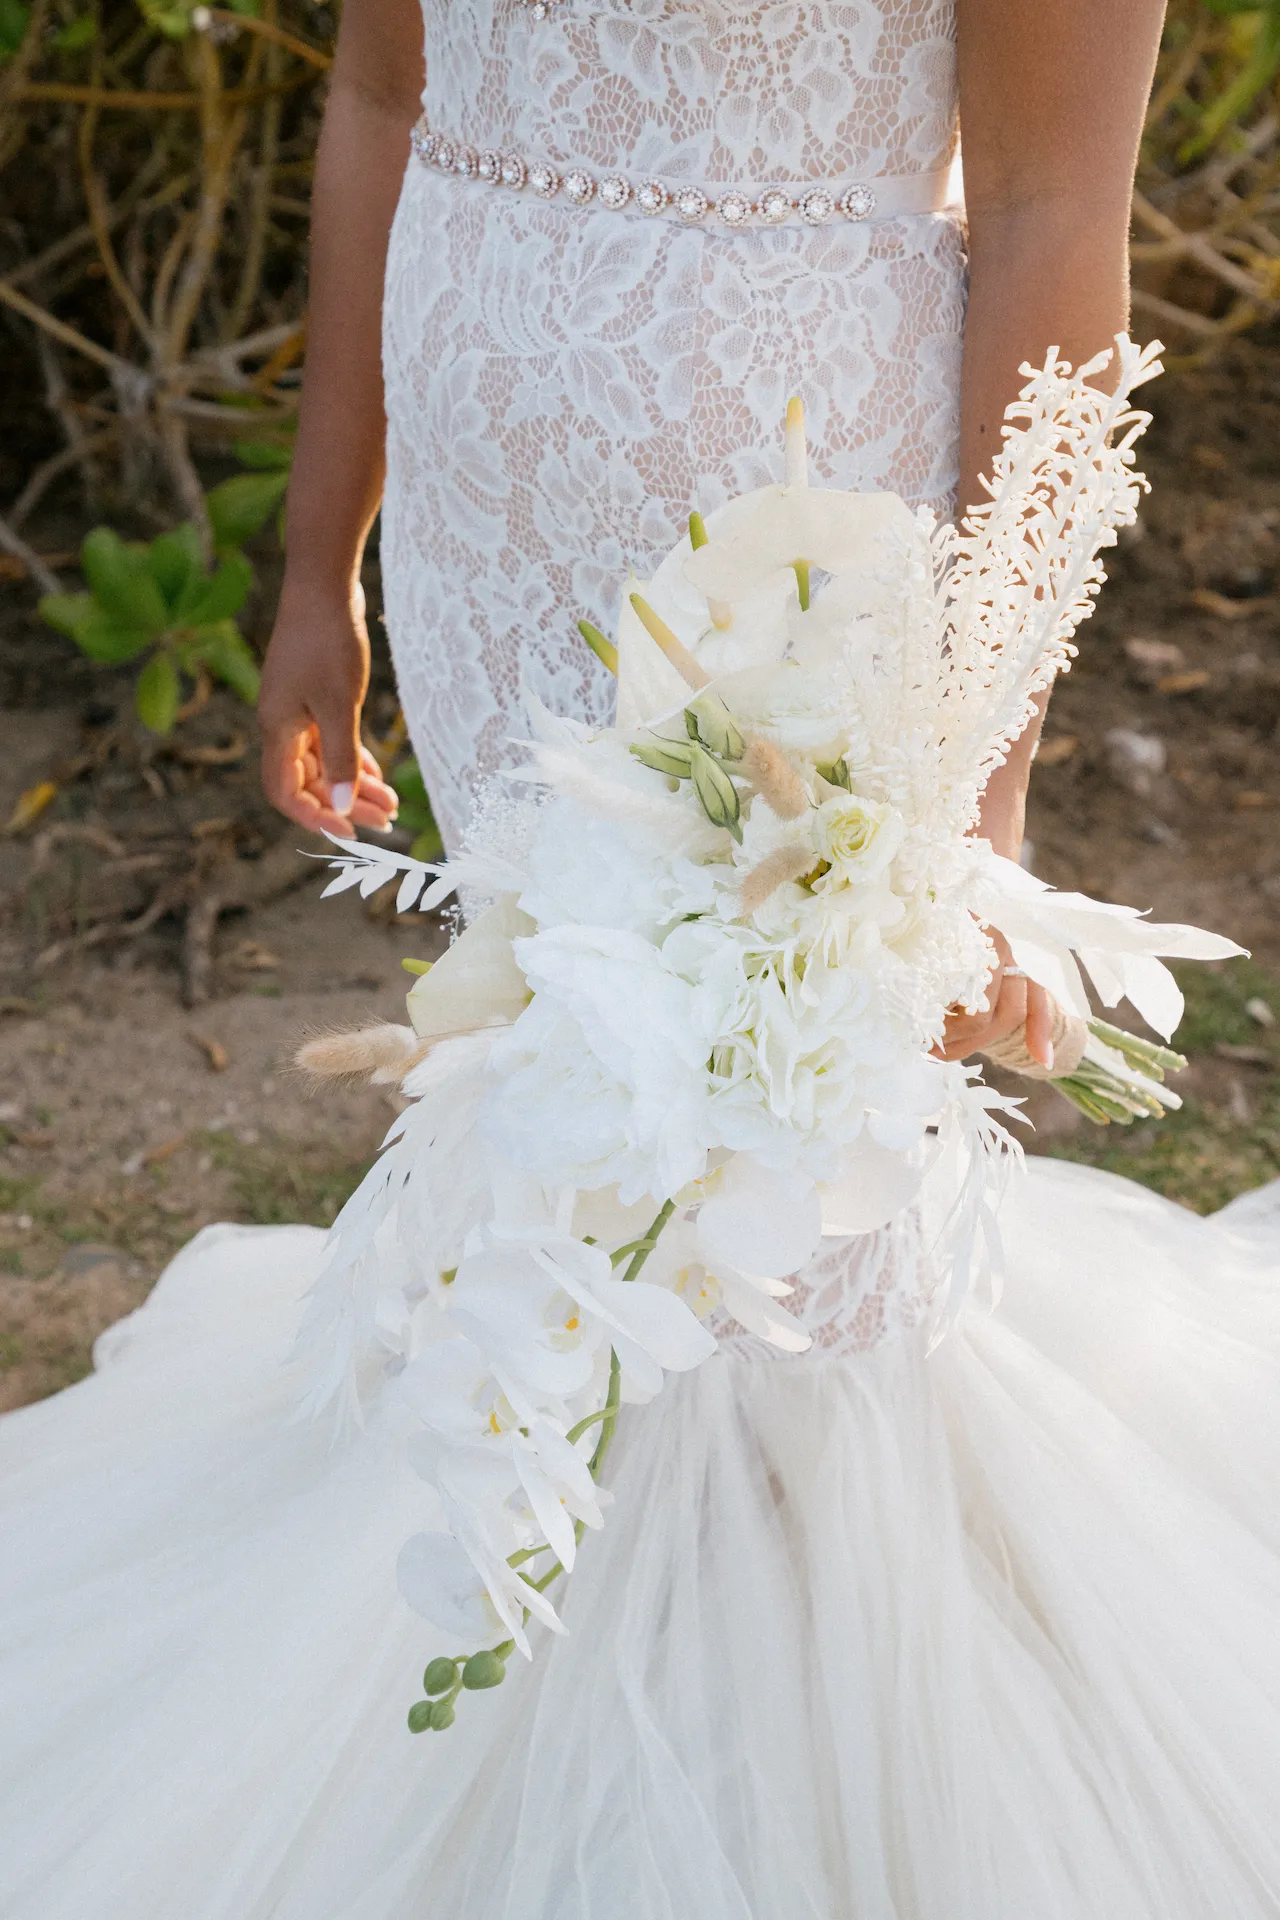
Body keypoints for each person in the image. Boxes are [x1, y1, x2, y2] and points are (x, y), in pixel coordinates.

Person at [3, 2, 1280, 1915]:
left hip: (792, 509)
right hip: (486, 479)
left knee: (791, 1194)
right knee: (562, 1088)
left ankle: (779, 1756)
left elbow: (1040, 210)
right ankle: (503, 1578)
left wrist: (967, 779)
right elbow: (382, 84)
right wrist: (315, 561)